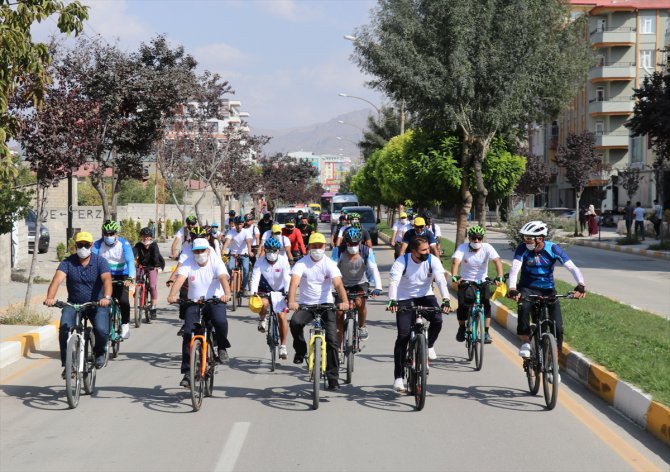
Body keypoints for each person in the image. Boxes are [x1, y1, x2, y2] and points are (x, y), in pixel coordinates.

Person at [507, 221, 586, 371]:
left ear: (540, 238)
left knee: (558, 328)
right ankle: (525, 342)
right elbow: (514, 269)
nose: (526, 241)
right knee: (523, 306)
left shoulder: (552, 248)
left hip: (548, 290)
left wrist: (580, 285)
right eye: (525, 237)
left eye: (529, 238)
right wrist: (512, 288)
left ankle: (554, 364)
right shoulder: (522, 248)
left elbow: (571, 267)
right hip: (527, 288)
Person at [387, 236, 451, 393]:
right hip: (404, 298)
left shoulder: (432, 260)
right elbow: (394, 282)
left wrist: (446, 299)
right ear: (413, 251)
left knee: (438, 319)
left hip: (426, 296)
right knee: (403, 336)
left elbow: (441, 280)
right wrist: (392, 300)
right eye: (423, 250)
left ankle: (429, 346)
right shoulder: (402, 261)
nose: (427, 252)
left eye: (428, 249)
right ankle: (399, 378)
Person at [44, 231, 112, 375]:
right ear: (75, 246)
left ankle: (99, 352)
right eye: (80, 245)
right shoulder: (67, 262)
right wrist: (50, 297)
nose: (83, 248)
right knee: (64, 329)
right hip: (74, 304)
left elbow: (107, 280)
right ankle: (68, 365)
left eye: (86, 245)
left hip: (97, 304)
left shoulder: (100, 262)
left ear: (91, 246)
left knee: (101, 330)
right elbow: (57, 280)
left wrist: (106, 297)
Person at [167, 238, 232, 388]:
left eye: (202, 250)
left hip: (215, 301)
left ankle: (221, 347)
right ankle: (187, 372)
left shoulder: (216, 261)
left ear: (208, 251)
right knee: (188, 333)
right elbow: (180, 278)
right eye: (196, 251)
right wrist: (172, 295)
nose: (199, 254)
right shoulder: (188, 262)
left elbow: (223, 277)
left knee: (220, 321)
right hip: (194, 302)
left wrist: (226, 294)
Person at [288, 233, 349, 391]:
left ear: (324, 247)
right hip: (307, 305)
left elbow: (338, 284)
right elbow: (294, 283)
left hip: (326, 305)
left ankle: (333, 379)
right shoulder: (301, 263)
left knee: (332, 340)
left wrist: (344, 301)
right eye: (313, 246)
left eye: (319, 246)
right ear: (309, 247)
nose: (316, 249)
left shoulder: (329, 263)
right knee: (295, 323)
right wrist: (292, 301)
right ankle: (300, 351)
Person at [450, 225, 503, 344]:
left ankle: (486, 332)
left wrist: (499, 276)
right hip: (466, 281)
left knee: (486, 305)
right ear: (469, 238)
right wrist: (455, 275)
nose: (476, 241)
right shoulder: (462, 247)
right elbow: (455, 262)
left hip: (483, 280)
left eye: (479, 238)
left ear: (482, 238)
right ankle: (462, 328)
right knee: (463, 306)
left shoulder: (487, 247)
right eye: (474, 238)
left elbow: (497, 261)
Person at [333, 227, 382, 344]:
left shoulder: (366, 251)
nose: (352, 245)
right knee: (339, 311)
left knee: (360, 303)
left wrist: (378, 287)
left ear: (360, 242)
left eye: (355, 243)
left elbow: (373, 269)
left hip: (360, 283)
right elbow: (331, 269)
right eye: (350, 243)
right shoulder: (338, 251)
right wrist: (328, 288)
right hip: (342, 284)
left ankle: (362, 326)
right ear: (345, 242)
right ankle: (339, 338)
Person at [93, 220, 136, 339]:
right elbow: (92, 261)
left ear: (116, 234)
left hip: (122, 275)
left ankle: (125, 324)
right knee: (99, 300)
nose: (108, 236)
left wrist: (131, 277)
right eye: (106, 234)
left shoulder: (124, 244)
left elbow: (130, 261)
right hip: (105, 275)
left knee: (123, 300)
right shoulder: (97, 245)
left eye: (111, 234)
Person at [250, 237, 292, 360]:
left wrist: (288, 293)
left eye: (274, 251)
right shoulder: (260, 262)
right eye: (268, 251)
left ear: (279, 251)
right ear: (265, 250)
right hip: (265, 289)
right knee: (263, 303)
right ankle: (262, 319)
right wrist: (253, 292)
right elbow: (255, 277)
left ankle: (283, 346)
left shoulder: (284, 261)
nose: (271, 253)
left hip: (280, 290)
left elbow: (287, 278)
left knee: (282, 317)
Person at [133, 227, 166, 320]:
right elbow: (133, 253)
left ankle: (153, 307)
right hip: (141, 266)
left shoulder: (154, 245)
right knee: (137, 279)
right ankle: (138, 293)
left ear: (151, 237)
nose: (145, 238)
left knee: (152, 286)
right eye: (144, 236)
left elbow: (156, 256)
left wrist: (157, 265)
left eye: (147, 237)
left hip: (153, 266)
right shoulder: (138, 245)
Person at [222, 215, 252, 296]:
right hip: (233, 254)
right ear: (234, 224)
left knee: (246, 269)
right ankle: (228, 282)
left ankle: (244, 287)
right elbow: (227, 241)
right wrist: (223, 250)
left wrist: (249, 251)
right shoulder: (231, 232)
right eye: (237, 224)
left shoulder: (246, 232)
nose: (239, 226)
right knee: (229, 267)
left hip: (244, 254)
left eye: (240, 224)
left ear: (243, 224)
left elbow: (248, 242)